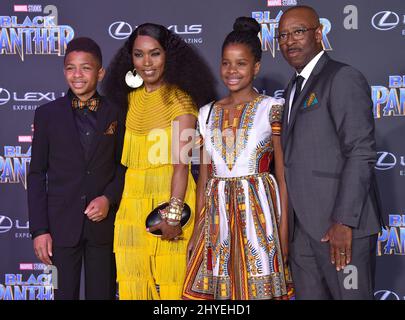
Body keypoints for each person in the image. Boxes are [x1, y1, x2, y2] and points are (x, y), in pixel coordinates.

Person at [102, 23, 217, 300]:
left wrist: (174, 215)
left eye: (155, 54)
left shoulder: (181, 101)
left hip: (171, 200)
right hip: (132, 203)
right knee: (133, 280)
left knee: (173, 283)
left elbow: (181, 165)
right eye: (139, 55)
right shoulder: (129, 100)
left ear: (168, 57)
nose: (147, 63)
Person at [182, 17, 293, 300]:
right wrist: (197, 230)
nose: (232, 71)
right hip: (217, 217)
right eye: (226, 63)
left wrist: (283, 232)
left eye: (241, 63)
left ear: (256, 67)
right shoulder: (206, 113)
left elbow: (282, 175)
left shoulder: (272, 108)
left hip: (261, 217)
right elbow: (205, 176)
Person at [277, 5, 382, 299]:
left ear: (319, 33)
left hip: (341, 230)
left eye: (298, 32)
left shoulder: (342, 77)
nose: (289, 41)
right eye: (283, 35)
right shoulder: (292, 88)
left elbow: (360, 151)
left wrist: (343, 221)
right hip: (302, 233)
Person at [27, 37, 126, 300]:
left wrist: (108, 198)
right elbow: (37, 173)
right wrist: (40, 230)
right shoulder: (47, 114)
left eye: (86, 68)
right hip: (60, 227)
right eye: (71, 68)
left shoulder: (117, 113)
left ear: (100, 72)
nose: (77, 75)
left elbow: (124, 165)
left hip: (103, 227)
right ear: (64, 71)